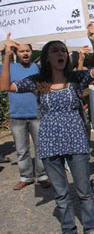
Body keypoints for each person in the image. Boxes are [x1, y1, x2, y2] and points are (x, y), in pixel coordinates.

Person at [0, 25, 94, 234]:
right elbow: (4, 86)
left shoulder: (77, 78)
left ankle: (91, 229)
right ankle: (68, 231)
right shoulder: (37, 81)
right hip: (49, 142)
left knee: (84, 191)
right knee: (60, 192)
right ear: (47, 57)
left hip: (76, 140)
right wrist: (7, 55)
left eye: (63, 51)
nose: (61, 54)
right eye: (56, 51)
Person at [0, 42, 50, 190]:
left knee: (41, 147)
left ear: (31, 51)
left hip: (37, 114)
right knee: (21, 149)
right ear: (16, 53)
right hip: (17, 115)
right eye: (21, 51)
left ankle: (42, 175)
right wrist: (4, 51)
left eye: (28, 50)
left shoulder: (38, 68)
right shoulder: (9, 68)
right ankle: (26, 177)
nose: (25, 53)